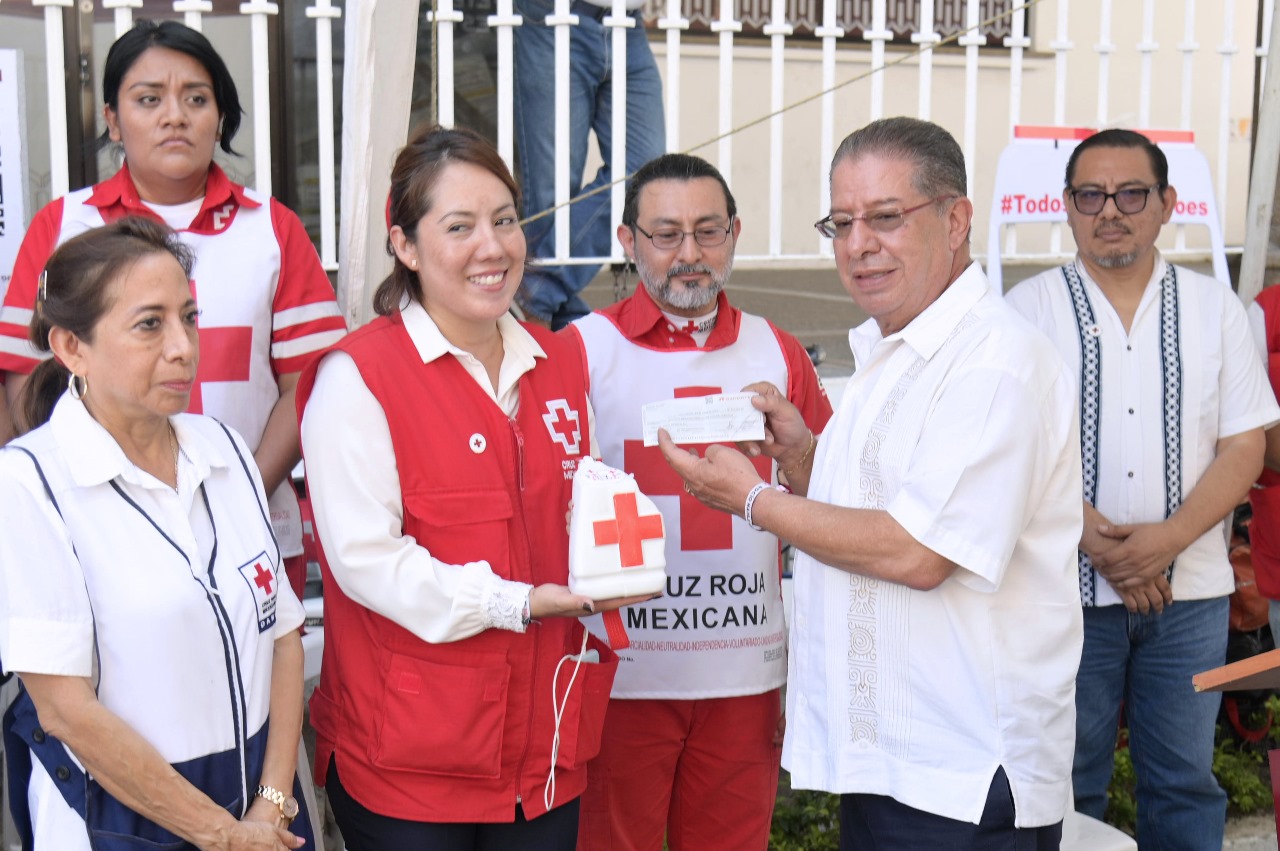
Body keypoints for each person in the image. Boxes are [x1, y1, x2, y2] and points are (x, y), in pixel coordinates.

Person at [658, 117, 1084, 848]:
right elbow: (885, 503)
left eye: (886, 218)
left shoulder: (995, 362)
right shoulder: (896, 348)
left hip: (963, 772)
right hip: (895, 763)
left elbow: (919, 551)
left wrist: (756, 499)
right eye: (842, 222)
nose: (858, 245)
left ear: (956, 221)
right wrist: (801, 456)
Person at [297, 124, 652, 850]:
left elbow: (579, 505)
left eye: (504, 220)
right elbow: (368, 561)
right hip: (410, 764)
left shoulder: (557, 364)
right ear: (405, 245)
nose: (492, 248)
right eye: (459, 227)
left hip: (546, 746)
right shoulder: (358, 378)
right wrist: (514, 602)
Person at [0, 18, 346, 604]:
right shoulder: (62, 226)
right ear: (112, 118)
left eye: (196, 98)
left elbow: (308, 384)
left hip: (249, 522)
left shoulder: (273, 228)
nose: (174, 115)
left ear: (220, 117)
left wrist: (239, 492)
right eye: (148, 99)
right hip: (93, 531)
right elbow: (24, 378)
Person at [0, 217, 311, 850]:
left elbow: (281, 634)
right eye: (150, 324)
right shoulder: (30, 484)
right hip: (119, 819)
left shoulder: (223, 449)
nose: (183, 347)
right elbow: (63, 709)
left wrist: (271, 804)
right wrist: (220, 835)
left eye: (189, 317)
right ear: (70, 348)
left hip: (260, 811)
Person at [1006, 128, 1279, 850]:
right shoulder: (1023, 312)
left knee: (1186, 782)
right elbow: (1013, 451)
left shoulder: (1216, 308)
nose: (1111, 210)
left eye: (1132, 193)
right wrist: (1099, 541)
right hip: (1061, 595)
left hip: (1191, 599)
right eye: (1090, 194)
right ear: (1066, 206)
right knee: (1065, 783)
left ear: (1166, 204)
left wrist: (1164, 542)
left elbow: (1245, 441)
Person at [565, 152, 831, 851]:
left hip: (743, 675)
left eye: (709, 231)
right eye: (666, 233)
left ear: (735, 233)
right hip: (622, 675)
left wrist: (800, 456)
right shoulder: (579, 353)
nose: (690, 254)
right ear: (627, 241)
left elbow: (831, 499)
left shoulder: (778, 351)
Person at [513, 0, 665, 329]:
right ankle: (551, 319)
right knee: (551, 190)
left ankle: (534, 296)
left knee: (647, 177)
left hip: (628, 21)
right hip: (551, 13)